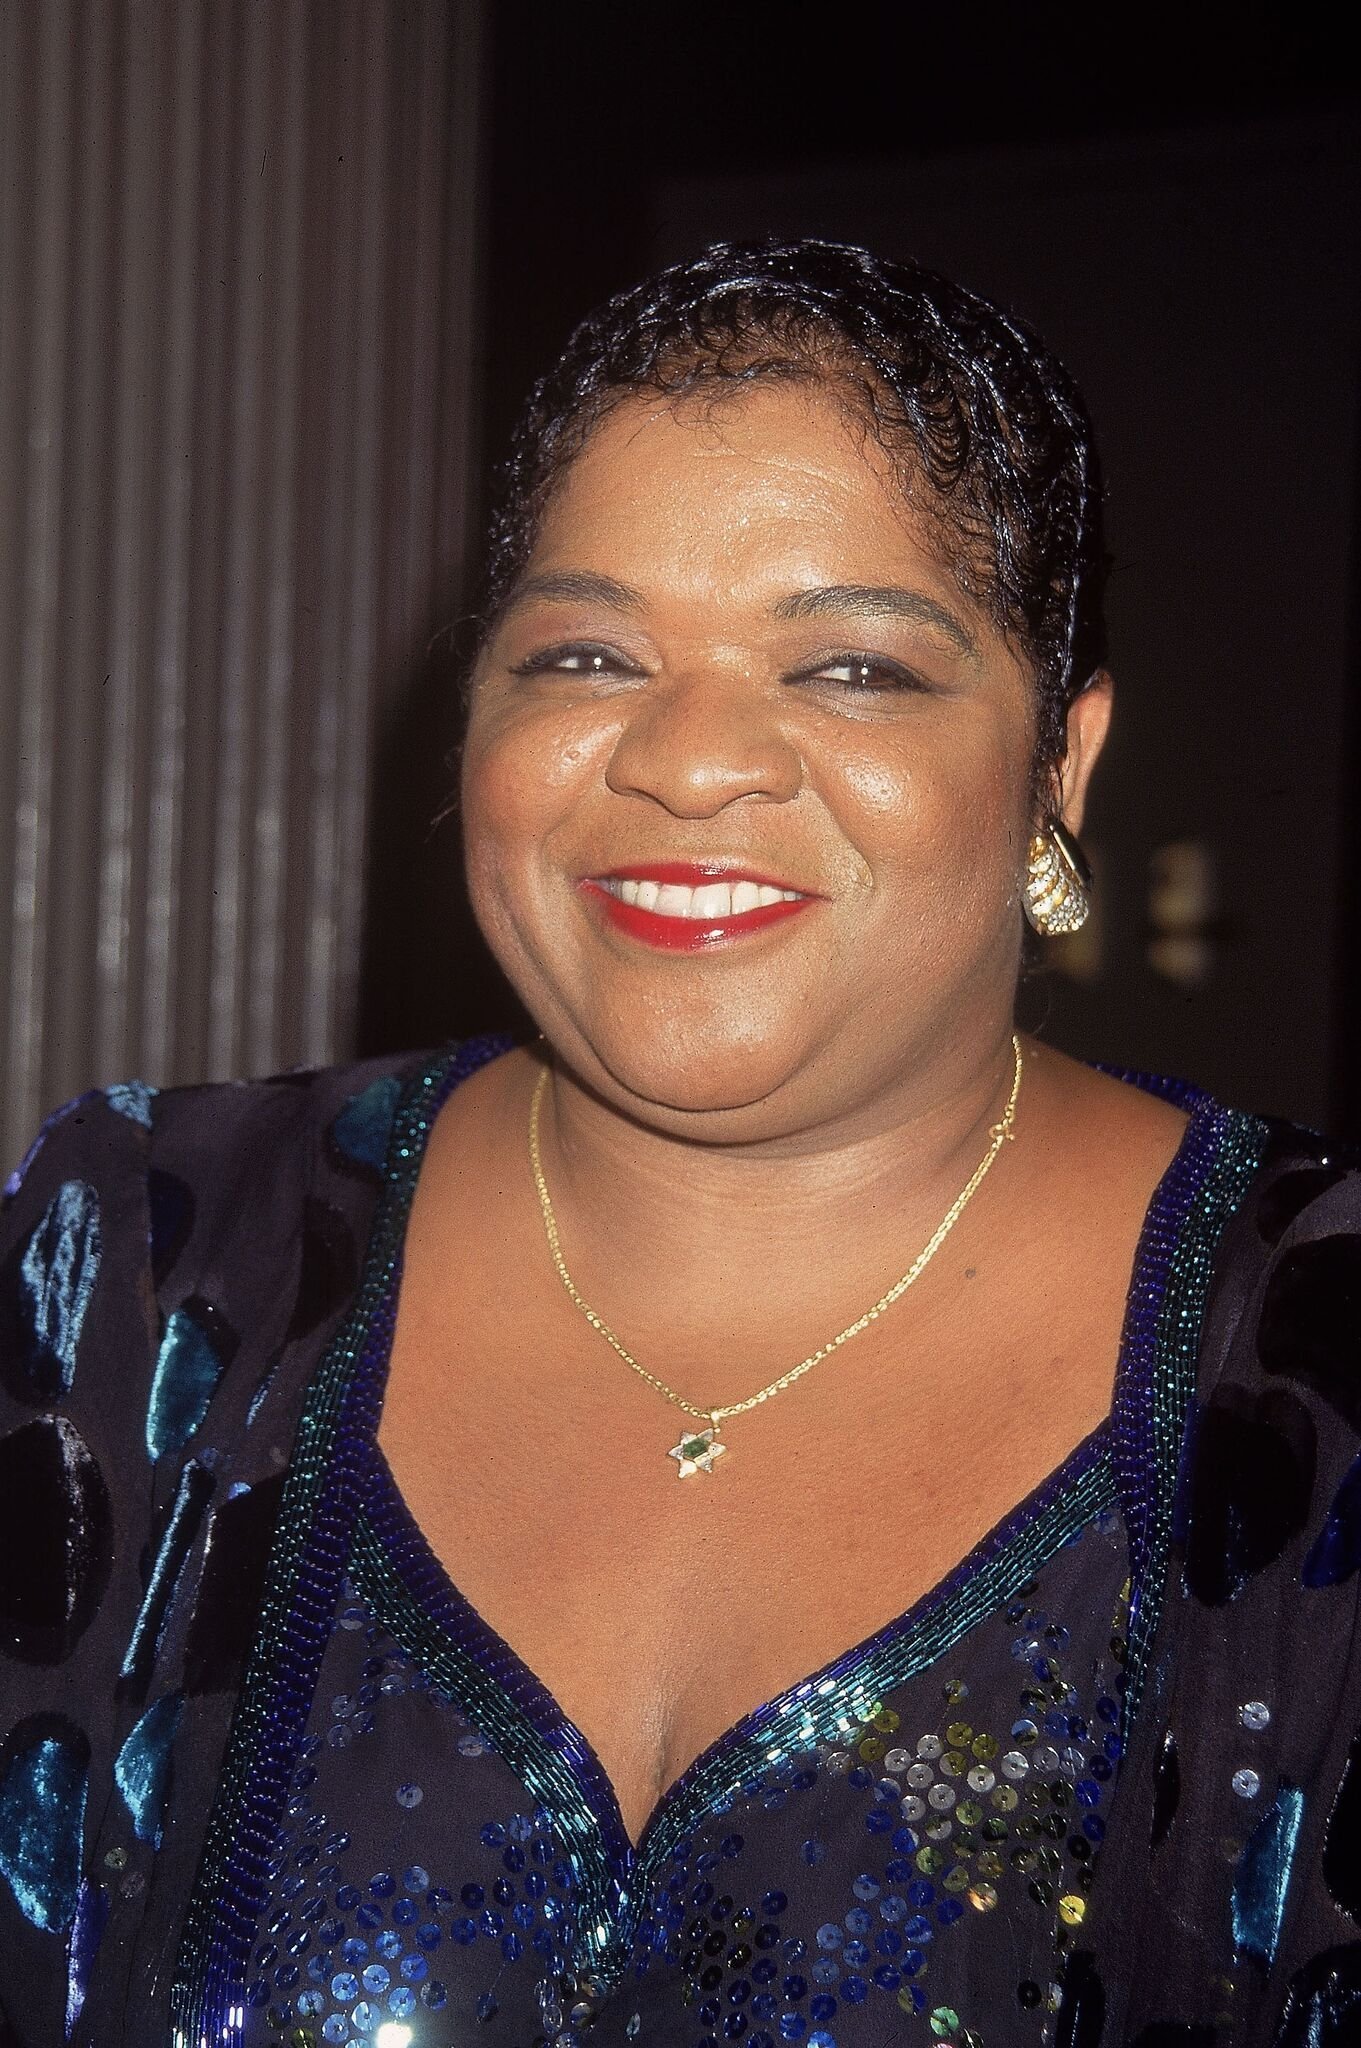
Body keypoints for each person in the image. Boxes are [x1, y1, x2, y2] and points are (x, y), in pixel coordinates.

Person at [1, 239, 1358, 2048]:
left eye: (858, 667)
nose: (690, 757)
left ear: (1060, 762)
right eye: (583, 652)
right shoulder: (136, 1263)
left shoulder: (1321, 1374)